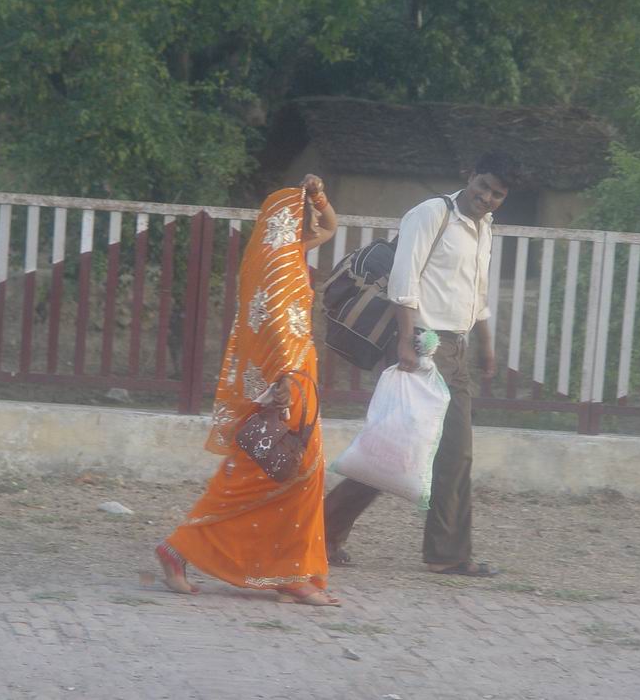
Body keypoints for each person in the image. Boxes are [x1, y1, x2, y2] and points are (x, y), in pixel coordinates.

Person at [323, 151, 520, 577]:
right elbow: (404, 279)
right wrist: (408, 344)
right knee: (405, 451)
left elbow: (478, 294)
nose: (486, 198)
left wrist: (486, 345)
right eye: (483, 186)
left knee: (426, 452)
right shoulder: (433, 213)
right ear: (468, 174)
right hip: (423, 344)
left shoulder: (484, 227)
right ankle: (443, 553)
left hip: (456, 347)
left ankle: (331, 531)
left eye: (497, 194)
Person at [153, 174, 341, 606]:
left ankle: (289, 573)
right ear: (286, 222)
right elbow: (275, 329)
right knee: (273, 474)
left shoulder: (283, 252)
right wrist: (283, 387)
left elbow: (330, 226)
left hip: (296, 375)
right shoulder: (277, 265)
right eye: (301, 214)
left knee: (295, 475)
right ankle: (180, 548)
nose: (308, 221)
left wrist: (317, 196)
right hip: (286, 380)